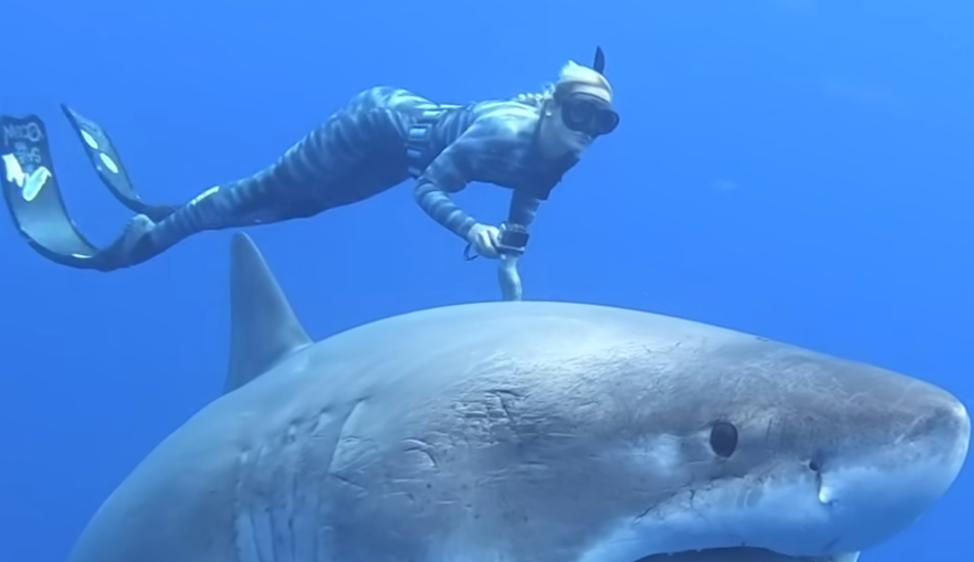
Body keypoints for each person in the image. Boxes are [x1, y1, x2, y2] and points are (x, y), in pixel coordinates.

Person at [0, 48, 619, 277]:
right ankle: (141, 241)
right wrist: (472, 230)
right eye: (577, 115)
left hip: (398, 153)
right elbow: (430, 190)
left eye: (600, 124)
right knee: (266, 191)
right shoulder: (499, 135)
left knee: (294, 210)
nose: (585, 133)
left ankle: (167, 213)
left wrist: (513, 248)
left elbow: (529, 197)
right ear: (550, 109)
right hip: (376, 123)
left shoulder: (561, 153)